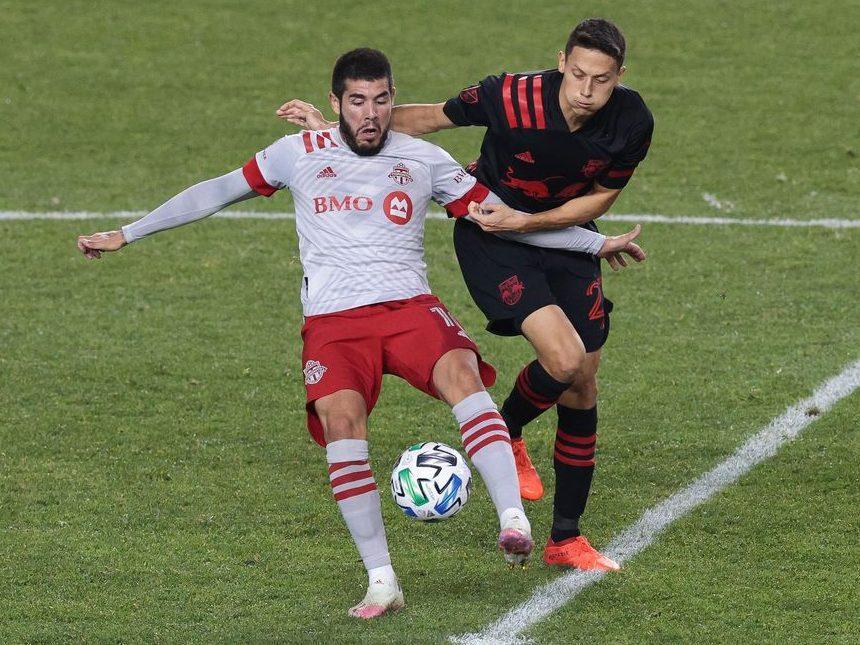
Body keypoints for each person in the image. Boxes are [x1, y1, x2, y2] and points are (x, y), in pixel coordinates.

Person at [77, 48, 645, 617]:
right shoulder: (296, 153)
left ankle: (512, 521)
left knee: (461, 373)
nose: (369, 114)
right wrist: (128, 233)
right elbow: (214, 192)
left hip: (408, 308)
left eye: (380, 101)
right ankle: (381, 581)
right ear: (336, 104)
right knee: (341, 424)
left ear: (393, 101)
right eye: (356, 102)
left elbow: (508, 224)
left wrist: (597, 243)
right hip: (333, 322)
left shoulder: (425, 159)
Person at [277, 19, 653, 573]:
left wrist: (566, 233)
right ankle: (507, 432)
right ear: (560, 63)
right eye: (576, 75)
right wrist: (339, 128)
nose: (586, 91)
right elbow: (424, 118)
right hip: (491, 228)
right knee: (565, 359)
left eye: (601, 80)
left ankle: (565, 539)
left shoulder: (632, 120)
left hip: (552, 230)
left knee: (583, 380)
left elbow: (598, 200)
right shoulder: (512, 95)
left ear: (620, 76)